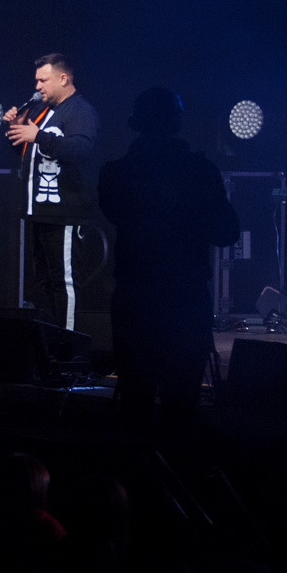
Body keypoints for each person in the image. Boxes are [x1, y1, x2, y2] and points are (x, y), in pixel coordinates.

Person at [98, 86, 239, 422]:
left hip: (135, 299)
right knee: (182, 407)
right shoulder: (199, 171)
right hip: (184, 299)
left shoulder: (115, 173)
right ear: (176, 121)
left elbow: (114, 213)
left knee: (135, 406)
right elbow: (226, 233)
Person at [3, 53, 100, 331]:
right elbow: (28, 151)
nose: (38, 87)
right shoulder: (43, 111)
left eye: (43, 80)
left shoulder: (79, 111)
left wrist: (38, 136)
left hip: (65, 213)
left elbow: (81, 149)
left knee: (64, 282)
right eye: (36, 81)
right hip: (41, 212)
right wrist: (16, 128)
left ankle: (68, 344)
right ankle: (50, 340)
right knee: (44, 281)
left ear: (63, 79)